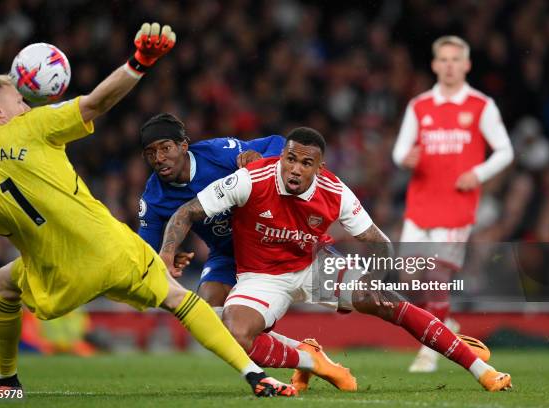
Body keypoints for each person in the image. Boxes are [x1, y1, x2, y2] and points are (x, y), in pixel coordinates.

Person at [0, 23, 295, 397]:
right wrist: (139, 62)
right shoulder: (33, 126)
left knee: (4, 280)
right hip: (109, 251)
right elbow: (97, 101)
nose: (25, 104)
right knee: (177, 298)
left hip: (55, 277)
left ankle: (5, 380)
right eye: (17, 100)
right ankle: (255, 375)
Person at [159, 127, 513, 392]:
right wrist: (166, 254)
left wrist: (375, 279)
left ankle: (481, 371)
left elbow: (377, 241)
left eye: (306, 163)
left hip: (315, 266)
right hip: (262, 276)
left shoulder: (335, 190)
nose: (295, 169)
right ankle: (310, 358)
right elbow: (186, 213)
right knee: (236, 334)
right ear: (282, 157)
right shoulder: (250, 179)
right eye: (291, 159)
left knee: (386, 302)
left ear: (319, 167)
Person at [137, 113, 338, 390]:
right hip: (227, 254)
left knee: (357, 300)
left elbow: (279, 143)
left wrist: (257, 155)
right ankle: (306, 357)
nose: (158, 158)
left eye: (165, 148)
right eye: (150, 152)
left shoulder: (219, 152)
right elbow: (145, 250)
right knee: (208, 314)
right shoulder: (153, 197)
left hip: (273, 242)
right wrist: (166, 256)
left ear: (184, 146)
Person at [392, 36, 514, 372]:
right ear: (434, 65)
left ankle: (430, 349)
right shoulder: (419, 105)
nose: (449, 66)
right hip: (420, 206)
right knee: (409, 282)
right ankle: (448, 325)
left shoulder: (480, 105)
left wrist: (478, 172)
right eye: (443, 59)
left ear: (466, 65)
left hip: (457, 207)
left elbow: (505, 151)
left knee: (437, 274)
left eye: (455, 59)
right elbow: (399, 151)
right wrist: (407, 159)